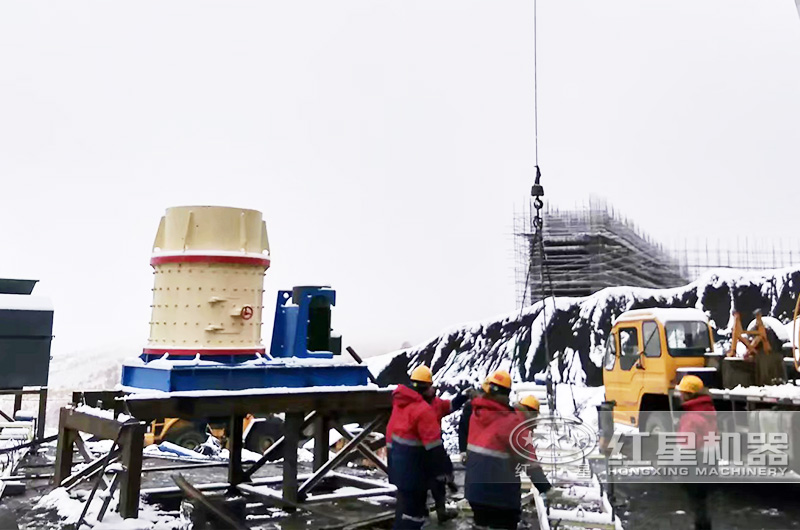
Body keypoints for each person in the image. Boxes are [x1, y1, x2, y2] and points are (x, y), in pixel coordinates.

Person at [464, 370, 552, 530]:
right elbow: (530, 464)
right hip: (500, 498)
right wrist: (546, 489)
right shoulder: (514, 424)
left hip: (474, 492)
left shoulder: (476, 414)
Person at [387, 365, 453, 529]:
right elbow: (435, 447)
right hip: (415, 472)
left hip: (398, 468)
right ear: (427, 387)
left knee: (404, 510)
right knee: (413, 516)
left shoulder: (400, 403)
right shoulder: (423, 410)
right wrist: (447, 471)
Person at [420, 370, 470, 523]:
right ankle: (422, 511)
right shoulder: (415, 406)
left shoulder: (435, 403)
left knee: (438, 478)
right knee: (422, 480)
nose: (432, 389)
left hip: (434, 447)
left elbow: (450, 405)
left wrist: (463, 396)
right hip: (419, 449)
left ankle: (440, 509)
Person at [676, 374, 717, 530]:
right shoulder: (708, 409)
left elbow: (686, 447)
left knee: (697, 505)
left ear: (688, 394)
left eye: (681, 392)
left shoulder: (691, 417)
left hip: (695, 466)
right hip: (708, 462)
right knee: (702, 504)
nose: (679, 395)